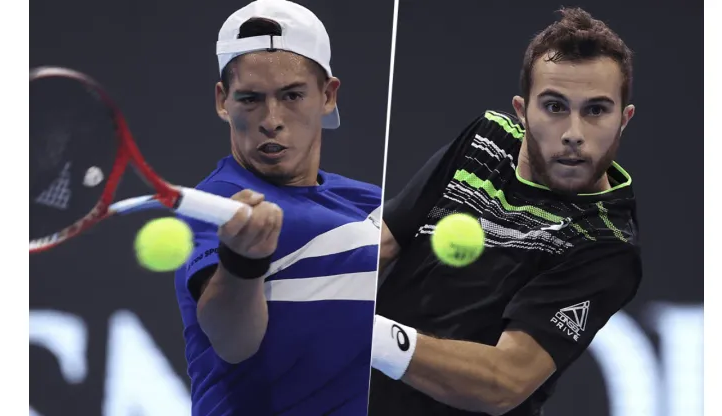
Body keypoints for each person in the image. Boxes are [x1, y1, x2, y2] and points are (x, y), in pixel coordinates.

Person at [369, 7, 642, 416]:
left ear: (624, 119)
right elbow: (381, 241)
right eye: (554, 106)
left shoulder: (606, 245)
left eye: (596, 110)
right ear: (521, 109)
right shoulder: (486, 139)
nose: (573, 133)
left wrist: (363, 332)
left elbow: (503, 382)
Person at [172, 1, 382, 415]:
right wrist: (241, 263)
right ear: (222, 101)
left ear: (327, 95)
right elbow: (233, 343)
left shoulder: (371, 202)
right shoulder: (217, 206)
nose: (272, 119)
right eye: (250, 99)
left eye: (291, 96)